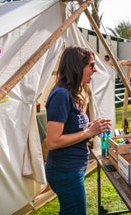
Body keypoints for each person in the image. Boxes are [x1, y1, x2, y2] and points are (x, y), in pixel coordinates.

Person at [45, 46, 111, 215]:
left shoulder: (71, 93)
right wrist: (89, 132)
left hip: (71, 169)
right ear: (77, 67)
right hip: (65, 171)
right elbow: (52, 141)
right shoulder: (61, 95)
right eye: (91, 65)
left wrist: (91, 127)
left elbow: (69, 129)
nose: (94, 70)